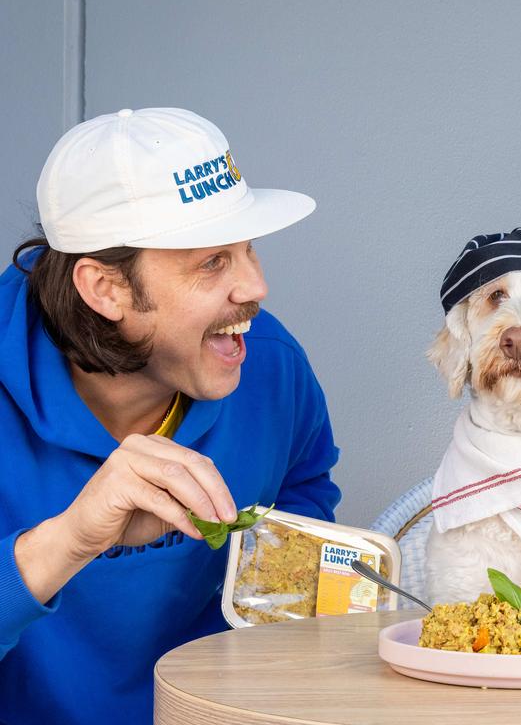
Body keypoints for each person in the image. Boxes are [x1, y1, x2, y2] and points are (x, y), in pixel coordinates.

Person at [0, 108, 341, 724]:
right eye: (212, 262)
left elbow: (304, 495)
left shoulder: (273, 370)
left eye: (248, 250)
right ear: (106, 289)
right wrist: (74, 538)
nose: (255, 287)